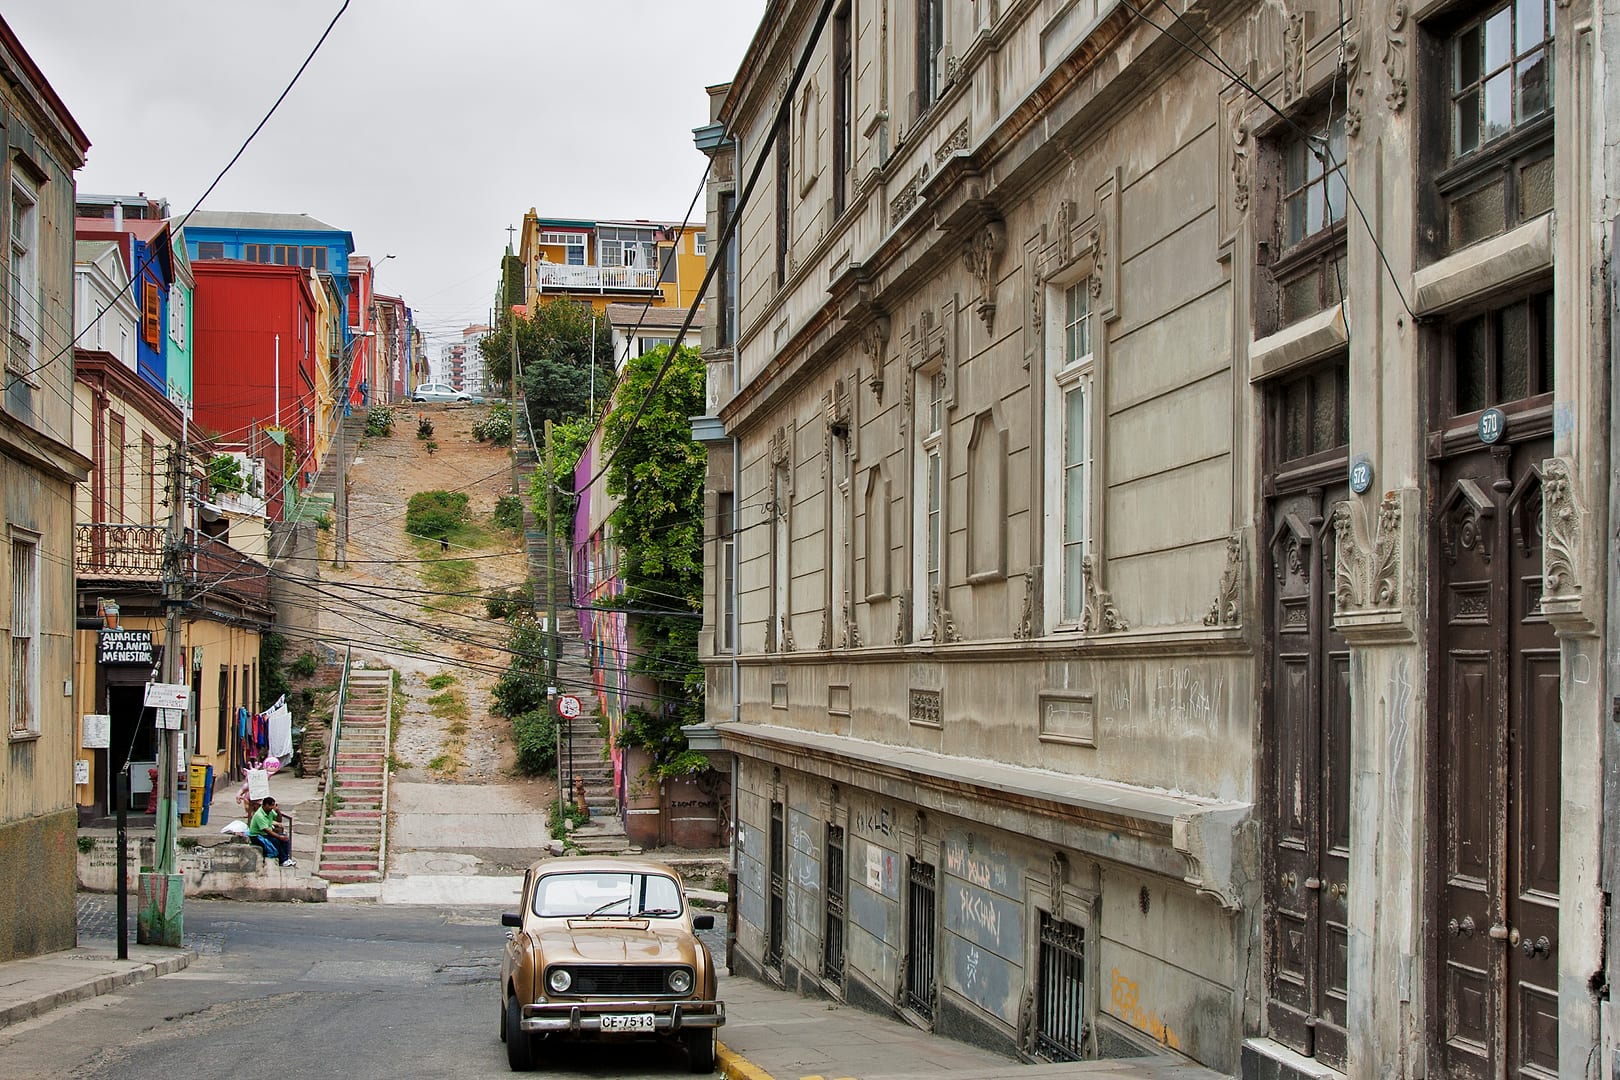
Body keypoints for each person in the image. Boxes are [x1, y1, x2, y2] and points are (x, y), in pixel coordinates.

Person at [249, 795, 295, 867]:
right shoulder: (259, 815)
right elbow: (267, 830)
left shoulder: (270, 811)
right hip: (257, 836)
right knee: (276, 840)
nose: (272, 808)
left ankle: (286, 858)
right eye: (271, 806)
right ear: (266, 805)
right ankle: (282, 860)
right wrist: (279, 837)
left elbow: (279, 820)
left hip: (265, 834)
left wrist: (277, 810)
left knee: (285, 838)